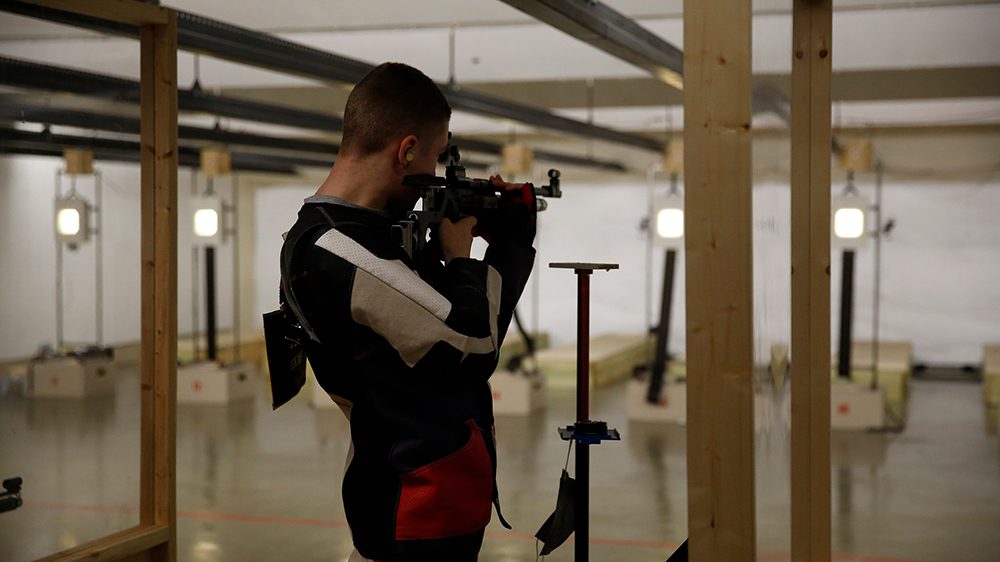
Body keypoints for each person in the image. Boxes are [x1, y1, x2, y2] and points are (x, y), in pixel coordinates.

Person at [277, 62, 537, 561]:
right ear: (407, 150)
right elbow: (472, 346)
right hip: (411, 510)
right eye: (435, 158)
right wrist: (461, 257)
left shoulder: (357, 236)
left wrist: (510, 244)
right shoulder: (344, 252)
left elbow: (470, 333)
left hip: (423, 502)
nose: (433, 176)